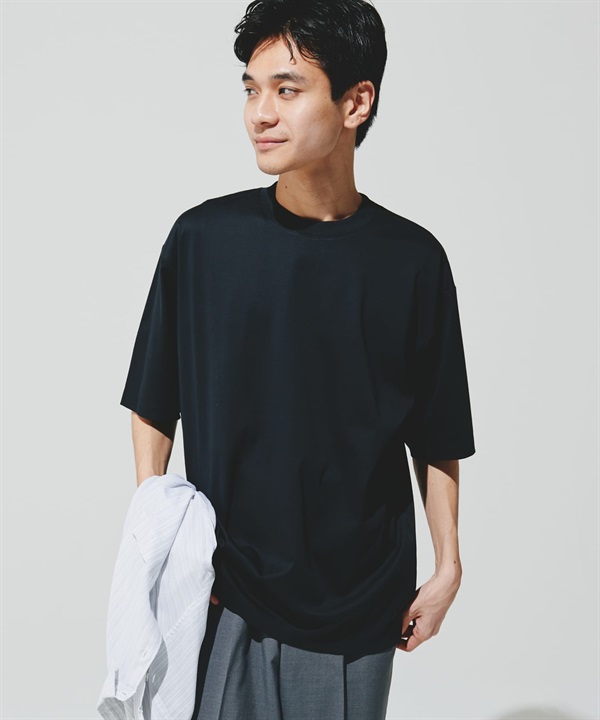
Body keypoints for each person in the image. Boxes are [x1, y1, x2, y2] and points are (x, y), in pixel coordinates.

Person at [119, 0, 476, 718]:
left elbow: (437, 432)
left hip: (360, 599)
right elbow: (154, 399)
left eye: (287, 89)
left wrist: (448, 565)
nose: (261, 114)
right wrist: (165, 546)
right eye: (251, 90)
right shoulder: (203, 241)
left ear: (356, 102)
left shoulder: (413, 260)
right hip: (223, 587)